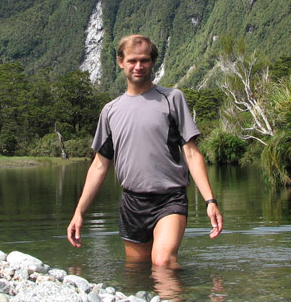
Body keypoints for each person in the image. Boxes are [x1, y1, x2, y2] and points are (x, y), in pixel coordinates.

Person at [66, 34, 223, 268]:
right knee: (137, 270)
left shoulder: (172, 99)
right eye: (132, 61)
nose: (138, 66)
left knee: (162, 262)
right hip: (132, 201)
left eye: (144, 60)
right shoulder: (110, 111)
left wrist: (210, 200)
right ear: (121, 62)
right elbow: (99, 164)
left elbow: (191, 152)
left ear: (152, 62)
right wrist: (79, 212)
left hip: (170, 198)